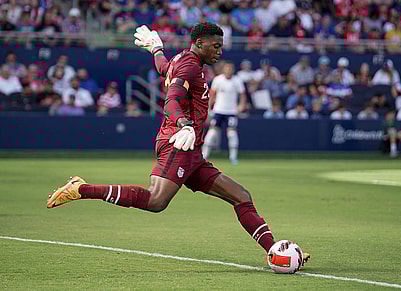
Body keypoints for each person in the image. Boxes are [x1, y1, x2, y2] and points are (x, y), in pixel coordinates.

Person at [46, 23, 310, 266]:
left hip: (191, 150)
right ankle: (82, 189)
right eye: (215, 46)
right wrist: (184, 124)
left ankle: (274, 251)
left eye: (221, 46)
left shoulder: (182, 60)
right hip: (178, 142)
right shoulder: (190, 66)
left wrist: (156, 48)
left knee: (241, 196)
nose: (220, 51)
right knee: (156, 200)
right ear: (199, 43)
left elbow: (163, 68)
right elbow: (171, 99)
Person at [202, 61, 246, 165]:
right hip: (218, 110)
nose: (228, 70)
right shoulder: (218, 80)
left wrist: (241, 106)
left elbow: (243, 96)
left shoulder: (237, 81)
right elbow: (211, 95)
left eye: (230, 69)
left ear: (233, 70)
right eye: (227, 68)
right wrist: (208, 109)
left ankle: (233, 157)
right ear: (223, 69)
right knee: (212, 133)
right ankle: (204, 156)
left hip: (231, 112)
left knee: (232, 134)